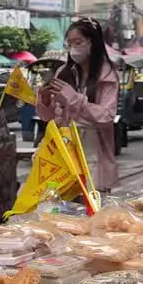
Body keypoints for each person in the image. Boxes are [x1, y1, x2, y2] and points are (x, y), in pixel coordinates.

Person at [36, 18, 120, 192]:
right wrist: (44, 101)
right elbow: (51, 118)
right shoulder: (63, 73)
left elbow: (106, 117)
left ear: (92, 42)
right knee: (63, 209)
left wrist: (74, 99)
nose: (73, 48)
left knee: (92, 203)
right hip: (64, 148)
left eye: (78, 42)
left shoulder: (107, 75)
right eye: (69, 43)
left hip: (93, 149)